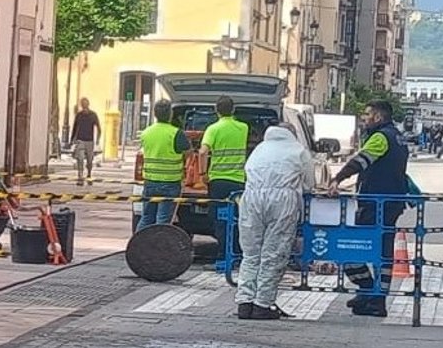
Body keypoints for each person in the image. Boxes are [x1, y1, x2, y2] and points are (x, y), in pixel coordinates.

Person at [327, 100, 409, 318]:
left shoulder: (381, 137)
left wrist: (337, 179)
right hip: (390, 203)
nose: (364, 118)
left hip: (376, 204)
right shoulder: (398, 137)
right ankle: (373, 296)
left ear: (378, 117)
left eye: (367, 114)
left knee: (349, 247)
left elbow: (360, 161)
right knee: (381, 252)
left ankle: (370, 291)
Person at [235, 123, 316, 321]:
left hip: (251, 198)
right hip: (282, 200)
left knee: (251, 253)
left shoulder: (260, 149)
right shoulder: (298, 151)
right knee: (273, 253)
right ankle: (262, 304)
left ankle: (244, 302)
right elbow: (309, 184)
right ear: (292, 133)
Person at [199, 95, 249, 262]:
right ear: (233, 110)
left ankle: (222, 255)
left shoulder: (213, 129)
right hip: (238, 181)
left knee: (220, 218)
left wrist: (202, 174)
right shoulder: (243, 128)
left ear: (216, 110)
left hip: (218, 181)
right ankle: (236, 253)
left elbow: (202, 152)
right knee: (237, 218)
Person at [135, 100, 191, 231]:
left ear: (155, 114)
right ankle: (159, 243)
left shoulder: (146, 133)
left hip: (150, 182)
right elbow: (189, 153)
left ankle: (138, 242)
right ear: (170, 114)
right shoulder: (176, 133)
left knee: (146, 218)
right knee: (163, 220)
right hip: (170, 183)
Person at [71, 98, 101, 186]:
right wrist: (72, 139)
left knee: (89, 160)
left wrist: (98, 139)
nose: (84, 106)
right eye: (82, 104)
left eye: (85, 104)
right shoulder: (79, 115)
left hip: (89, 141)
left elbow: (98, 127)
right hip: (80, 140)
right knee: (80, 158)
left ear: (88, 104)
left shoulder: (93, 115)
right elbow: (75, 127)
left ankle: (89, 173)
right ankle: (80, 175)